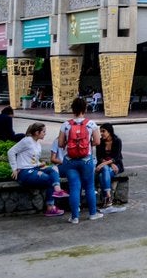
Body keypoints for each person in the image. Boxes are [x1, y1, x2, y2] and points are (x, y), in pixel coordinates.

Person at [58, 96, 102, 224]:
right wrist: (86, 144)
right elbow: (98, 141)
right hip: (86, 160)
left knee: (74, 187)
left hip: (70, 160)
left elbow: (60, 144)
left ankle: (74, 217)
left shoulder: (66, 125)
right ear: (85, 108)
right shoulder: (91, 124)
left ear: (73, 109)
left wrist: (70, 144)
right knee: (89, 187)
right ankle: (92, 214)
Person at [7, 122, 64, 217]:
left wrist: (39, 164)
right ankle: (50, 207)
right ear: (37, 132)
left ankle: (58, 190)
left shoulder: (37, 144)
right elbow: (11, 152)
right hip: (25, 172)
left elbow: (32, 160)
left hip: (34, 169)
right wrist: (14, 168)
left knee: (53, 169)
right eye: (43, 131)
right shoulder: (27, 141)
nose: (45, 133)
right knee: (49, 179)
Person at [95, 122, 125, 208]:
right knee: (105, 169)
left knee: (101, 175)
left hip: (116, 165)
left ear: (109, 131)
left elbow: (117, 156)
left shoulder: (117, 141)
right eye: (100, 131)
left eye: (103, 131)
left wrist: (107, 164)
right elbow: (99, 157)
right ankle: (108, 196)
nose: (101, 133)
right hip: (105, 165)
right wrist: (107, 164)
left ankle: (106, 198)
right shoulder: (100, 142)